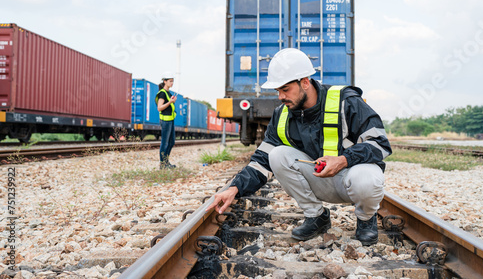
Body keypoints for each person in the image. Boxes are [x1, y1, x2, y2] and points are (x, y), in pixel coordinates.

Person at [207, 48, 391, 246]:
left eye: (285, 89)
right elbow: (262, 160)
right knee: (277, 155)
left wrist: (343, 160)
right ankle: (317, 217)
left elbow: (380, 143)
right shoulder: (282, 114)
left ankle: (365, 220)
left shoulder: (346, 102)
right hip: (321, 181)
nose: (280, 96)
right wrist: (235, 188)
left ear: (305, 82)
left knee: (367, 178)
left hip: (351, 178)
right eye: (278, 91)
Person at [155, 72, 177, 169]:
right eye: (170, 81)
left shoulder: (168, 93)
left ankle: (166, 162)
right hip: (165, 121)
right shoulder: (162, 93)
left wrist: (172, 100)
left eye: (173, 81)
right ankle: (163, 164)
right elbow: (159, 108)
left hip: (170, 120)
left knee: (171, 142)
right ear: (165, 81)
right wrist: (170, 102)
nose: (172, 83)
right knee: (165, 142)